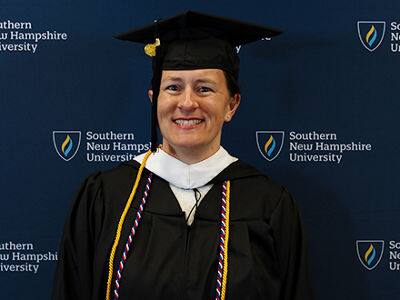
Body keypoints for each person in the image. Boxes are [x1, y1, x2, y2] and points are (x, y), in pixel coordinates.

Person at [52, 11, 313, 300]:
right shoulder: (104, 197)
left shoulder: (269, 204)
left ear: (232, 104)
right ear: (155, 100)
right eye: (173, 87)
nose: (187, 103)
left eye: (204, 89)